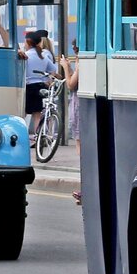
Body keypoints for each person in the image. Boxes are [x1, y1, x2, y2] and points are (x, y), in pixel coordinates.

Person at [18, 29, 56, 138]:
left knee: (22, 114)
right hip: (41, 86)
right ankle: (38, 137)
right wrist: (48, 79)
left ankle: (21, 136)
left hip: (28, 86)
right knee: (37, 114)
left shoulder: (25, 56)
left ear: (28, 42)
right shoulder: (43, 56)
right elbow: (53, 70)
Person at [60, 40, 81, 204]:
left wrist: (66, 67)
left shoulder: (82, 60)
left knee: (81, 149)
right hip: (79, 104)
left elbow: (71, 84)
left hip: (79, 105)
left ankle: (85, 186)